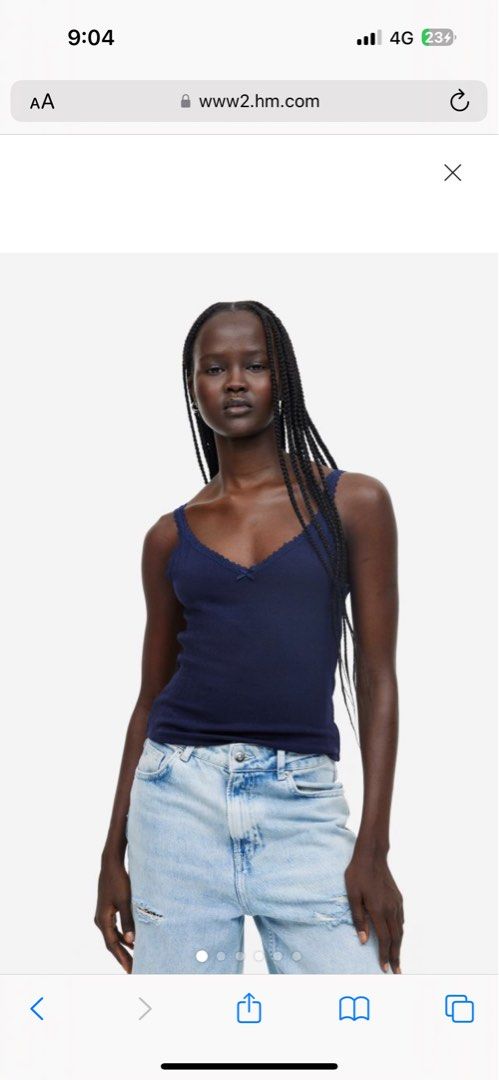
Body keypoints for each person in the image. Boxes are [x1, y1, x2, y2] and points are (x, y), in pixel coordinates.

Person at [95, 299, 404, 975]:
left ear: (281, 378)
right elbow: (149, 696)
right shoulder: (168, 536)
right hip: (174, 806)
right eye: (214, 368)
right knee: (179, 1030)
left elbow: (377, 675)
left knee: (353, 1020)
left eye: (254, 365)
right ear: (193, 388)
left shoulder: (353, 503)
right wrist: (112, 853)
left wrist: (373, 848)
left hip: (301, 805)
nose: (234, 382)